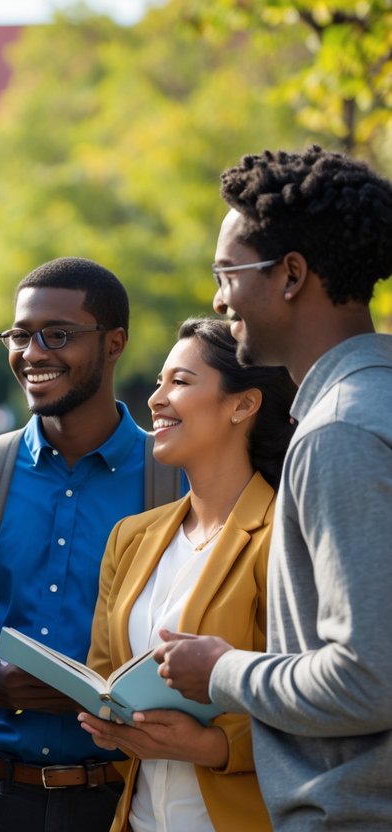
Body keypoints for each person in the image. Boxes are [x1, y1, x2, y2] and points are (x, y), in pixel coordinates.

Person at [155, 146, 392, 828]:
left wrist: (222, 671)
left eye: (226, 273)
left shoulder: (338, 433)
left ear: (290, 275)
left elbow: (366, 678)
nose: (216, 298)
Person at [0, 257, 167, 832]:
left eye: (58, 335)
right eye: (20, 335)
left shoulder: (174, 480)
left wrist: (99, 693)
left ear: (114, 343)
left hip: (127, 799)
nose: (33, 352)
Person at [78, 318, 295, 831]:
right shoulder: (130, 538)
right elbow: (104, 672)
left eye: (179, 382)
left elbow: (316, 695)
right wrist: (109, 722)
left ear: (243, 404)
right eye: (158, 382)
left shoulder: (287, 536)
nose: (155, 399)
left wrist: (214, 746)